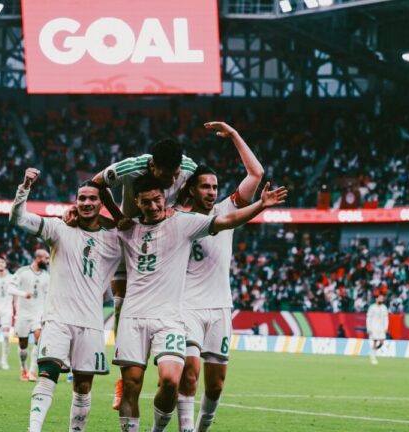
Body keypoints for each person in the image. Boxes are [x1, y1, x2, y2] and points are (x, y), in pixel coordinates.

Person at [114, 174, 287, 432]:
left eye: (158, 200)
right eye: (146, 202)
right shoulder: (127, 229)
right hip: (136, 315)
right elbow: (93, 231)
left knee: (173, 380)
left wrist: (260, 205)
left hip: (170, 317)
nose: (153, 206)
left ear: (166, 199)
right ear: (137, 203)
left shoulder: (183, 223)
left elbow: (228, 220)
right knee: (132, 385)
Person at [87, 138, 197, 410]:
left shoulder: (189, 168)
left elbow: (199, 184)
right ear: (151, 166)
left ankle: (167, 356)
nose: (171, 180)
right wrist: (116, 216)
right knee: (121, 300)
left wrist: (180, 204)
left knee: (170, 294)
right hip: (130, 236)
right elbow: (94, 184)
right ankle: (125, 378)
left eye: (174, 175)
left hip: (164, 237)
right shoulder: (130, 168)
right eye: (165, 175)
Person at [10, 168, 122, 432]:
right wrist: (24, 186)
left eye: (92, 198)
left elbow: (134, 230)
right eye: (81, 198)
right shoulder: (57, 229)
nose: (86, 203)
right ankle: (33, 429)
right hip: (57, 319)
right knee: (47, 375)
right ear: (75, 202)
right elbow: (18, 219)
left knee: (83, 387)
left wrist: (112, 220)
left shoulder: (114, 241)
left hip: (91, 324)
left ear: (100, 203)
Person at [176, 121, 264, 432]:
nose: (212, 192)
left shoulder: (227, 209)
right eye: (205, 186)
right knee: (189, 374)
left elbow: (257, 175)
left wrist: (236, 136)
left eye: (214, 187)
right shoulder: (178, 220)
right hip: (186, 308)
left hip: (220, 309)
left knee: (215, 387)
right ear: (191, 189)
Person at [8, 249, 50, 381]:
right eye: (46, 258)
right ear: (38, 258)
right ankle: (23, 368)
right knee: (23, 344)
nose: (48, 261)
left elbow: (49, 295)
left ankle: (32, 371)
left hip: (39, 313)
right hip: (23, 313)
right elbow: (10, 288)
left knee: (39, 336)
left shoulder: (47, 276)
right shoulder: (23, 272)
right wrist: (23, 294)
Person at [366, 294, 389, 365]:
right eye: (380, 298)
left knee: (382, 342)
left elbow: (386, 318)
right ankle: (373, 357)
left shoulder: (384, 307)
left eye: (382, 299)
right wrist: (369, 328)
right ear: (376, 299)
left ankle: (373, 352)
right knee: (375, 341)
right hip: (374, 327)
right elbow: (368, 318)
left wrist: (386, 327)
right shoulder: (372, 307)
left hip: (381, 328)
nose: (381, 300)